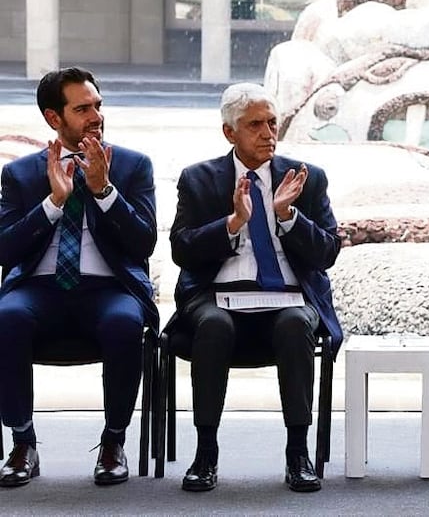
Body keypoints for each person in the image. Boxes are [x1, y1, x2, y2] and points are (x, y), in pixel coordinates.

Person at [169, 83, 342, 493]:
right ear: (230, 132)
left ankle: (297, 452)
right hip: (218, 293)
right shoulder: (199, 179)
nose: (268, 133)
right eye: (255, 125)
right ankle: (205, 453)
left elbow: (328, 252)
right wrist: (231, 224)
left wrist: (287, 216)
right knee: (213, 326)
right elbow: (181, 249)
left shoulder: (307, 178)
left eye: (272, 123)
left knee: (295, 324)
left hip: (286, 294)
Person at [0, 67, 157, 488]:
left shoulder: (133, 166)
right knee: (6, 316)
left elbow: (144, 245)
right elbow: (6, 250)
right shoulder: (21, 174)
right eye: (82, 108)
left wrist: (105, 191)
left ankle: (113, 443)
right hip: (39, 287)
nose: (96, 116)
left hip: (108, 287)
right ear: (55, 118)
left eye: (98, 105)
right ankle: (22, 443)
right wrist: (54, 201)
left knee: (125, 323)